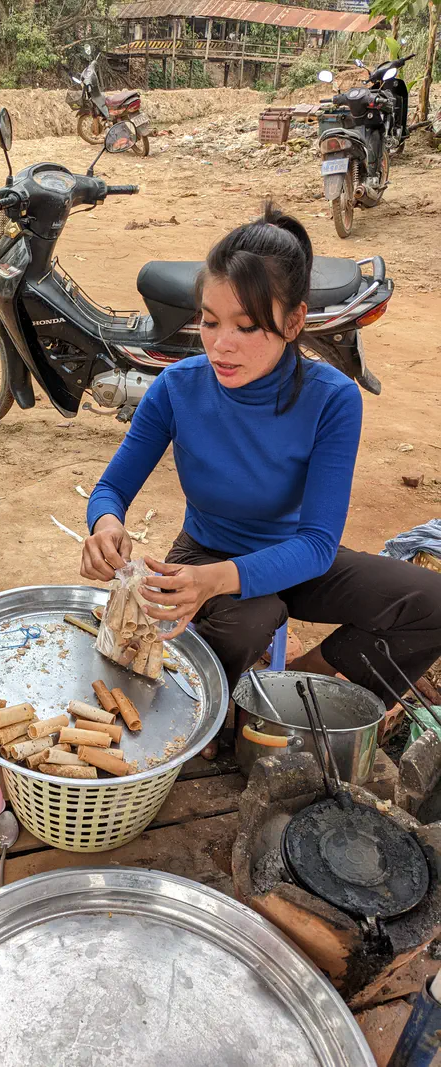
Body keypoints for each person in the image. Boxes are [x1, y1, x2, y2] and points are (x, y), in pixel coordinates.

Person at [81, 204, 441, 755]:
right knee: (253, 620)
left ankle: (296, 682)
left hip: (297, 557)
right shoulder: (177, 387)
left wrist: (219, 582)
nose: (221, 344)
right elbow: (111, 490)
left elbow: (319, 544)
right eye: (209, 320)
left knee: (431, 603)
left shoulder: (332, 399)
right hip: (205, 551)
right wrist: (104, 524)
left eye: (247, 326)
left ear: (294, 322)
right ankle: (209, 716)